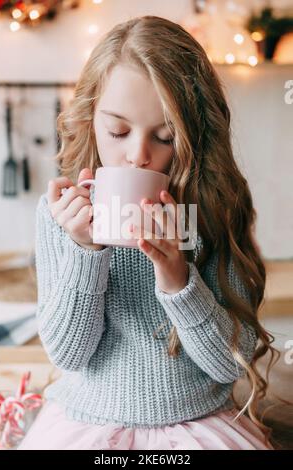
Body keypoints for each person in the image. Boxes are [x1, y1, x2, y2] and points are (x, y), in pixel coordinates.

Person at [18, 15, 276, 450]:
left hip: (195, 424)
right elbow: (67, 354)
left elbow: (228, 365)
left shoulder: (210, 208)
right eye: (118, 130)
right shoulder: (61, 213)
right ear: (90, 117)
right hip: (87, 422)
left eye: (164, 136)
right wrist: (85, 248)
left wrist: (177, 277)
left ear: (195, 133)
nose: (138, 155)